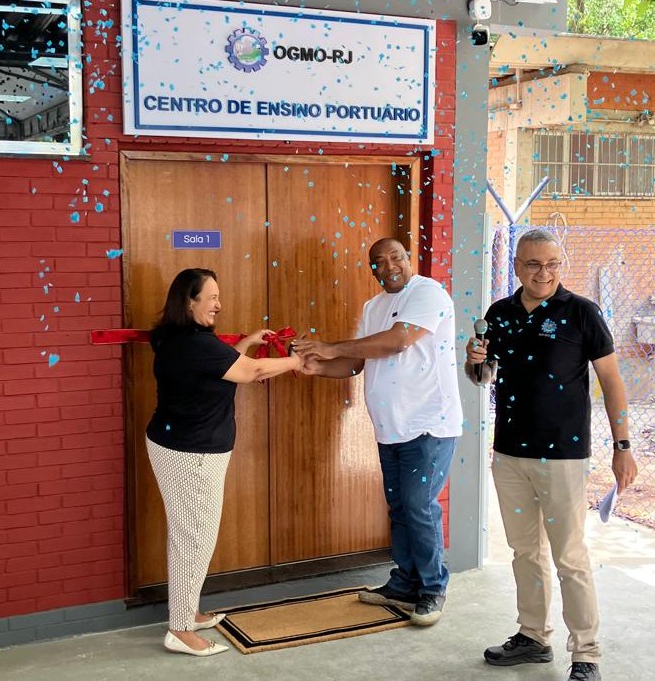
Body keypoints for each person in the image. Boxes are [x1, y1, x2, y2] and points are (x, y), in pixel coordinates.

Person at [465, 229, 638, 681]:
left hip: (563, 456)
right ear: (517, 266)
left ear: (561, 265)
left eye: (553, 264)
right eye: (534, 265)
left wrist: (623, 447)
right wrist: (475, 360)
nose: (544, 273)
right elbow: (484, 378)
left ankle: (587, 653)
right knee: (524, 552)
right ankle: (533, 637)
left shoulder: (582, 313)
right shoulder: (498, 314)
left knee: (570, 557)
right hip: (509, 455)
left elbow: (613, 382)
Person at [294, 237, 462, 626]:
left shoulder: (429, 293)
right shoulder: (373, 307)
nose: (388, 267)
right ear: (371, 268)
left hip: (429, 425)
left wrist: (331, 347)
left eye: (395, 258)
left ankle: (433, 589)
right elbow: (355, 363)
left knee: (420, 506)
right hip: (391, 428)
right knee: (401, 507)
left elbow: (399, 340)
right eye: (378, 262)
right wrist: (318, 366)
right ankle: (404, 583)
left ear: (408, 259)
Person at [146, 267, 303, 657]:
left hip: (179, 445)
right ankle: (180, 629)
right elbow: (250, 372)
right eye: (212, 297)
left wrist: (247, 342)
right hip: (191, 454)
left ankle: (189, 611)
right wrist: (297, 362)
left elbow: (223, 365)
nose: (220, 304)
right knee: (193, 538)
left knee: (189, 534)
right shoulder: (198, 344)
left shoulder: (178, 337)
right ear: (189, 301)